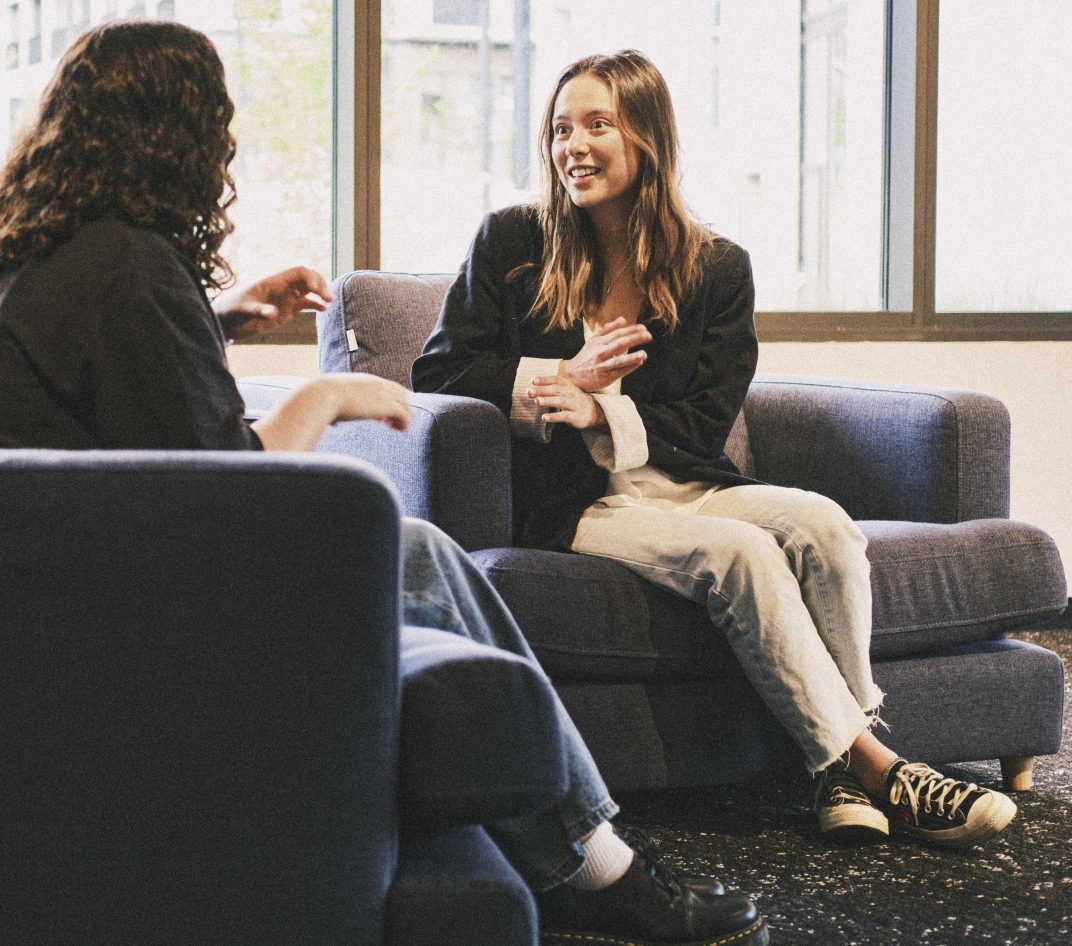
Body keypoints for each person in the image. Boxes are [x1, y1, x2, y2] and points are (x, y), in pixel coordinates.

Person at [0, 22, 769, 946]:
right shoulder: (127, 269)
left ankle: (579, 844)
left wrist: (220, 318)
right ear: (173, 135)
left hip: (19, 580)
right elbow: (236, 492)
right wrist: (327, 396)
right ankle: (594, 862)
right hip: (95, 601)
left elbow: (125, 397)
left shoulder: (37, 250)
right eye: (216, 125)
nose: (225, 149)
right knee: (411, 551)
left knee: (414, 554)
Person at [412, 49, 1018, 858]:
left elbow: (702, 424)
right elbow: (439, 373)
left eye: (598, 124)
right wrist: (558, 379)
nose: (574, 147)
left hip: (684, 480)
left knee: (825, 526)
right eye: (561, 128)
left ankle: (838, 771)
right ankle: (882, 768)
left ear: (648, 138)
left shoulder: (714, 268)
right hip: (578, 501)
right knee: (740, 554)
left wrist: (601, 405)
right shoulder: (513, 243)